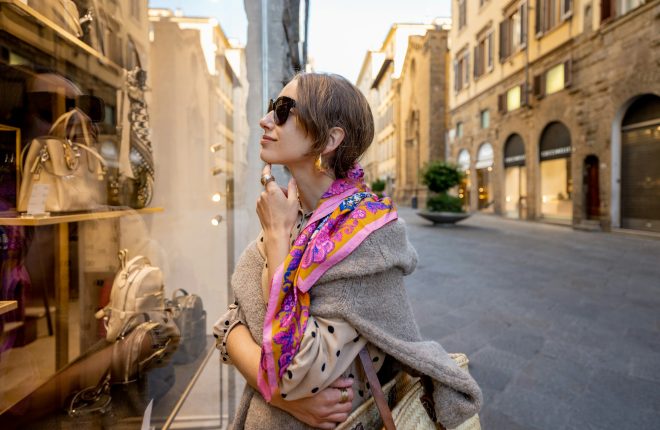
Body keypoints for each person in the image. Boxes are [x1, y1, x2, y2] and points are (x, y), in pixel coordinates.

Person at [214, 72, 482, 429]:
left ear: (329, 138)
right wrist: (284, 400)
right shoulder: (297, 214)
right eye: (269, 109)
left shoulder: (364, 238)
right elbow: (228, 325)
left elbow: (295, 369)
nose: (265, 120)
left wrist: (277, 237)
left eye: (282, 110)